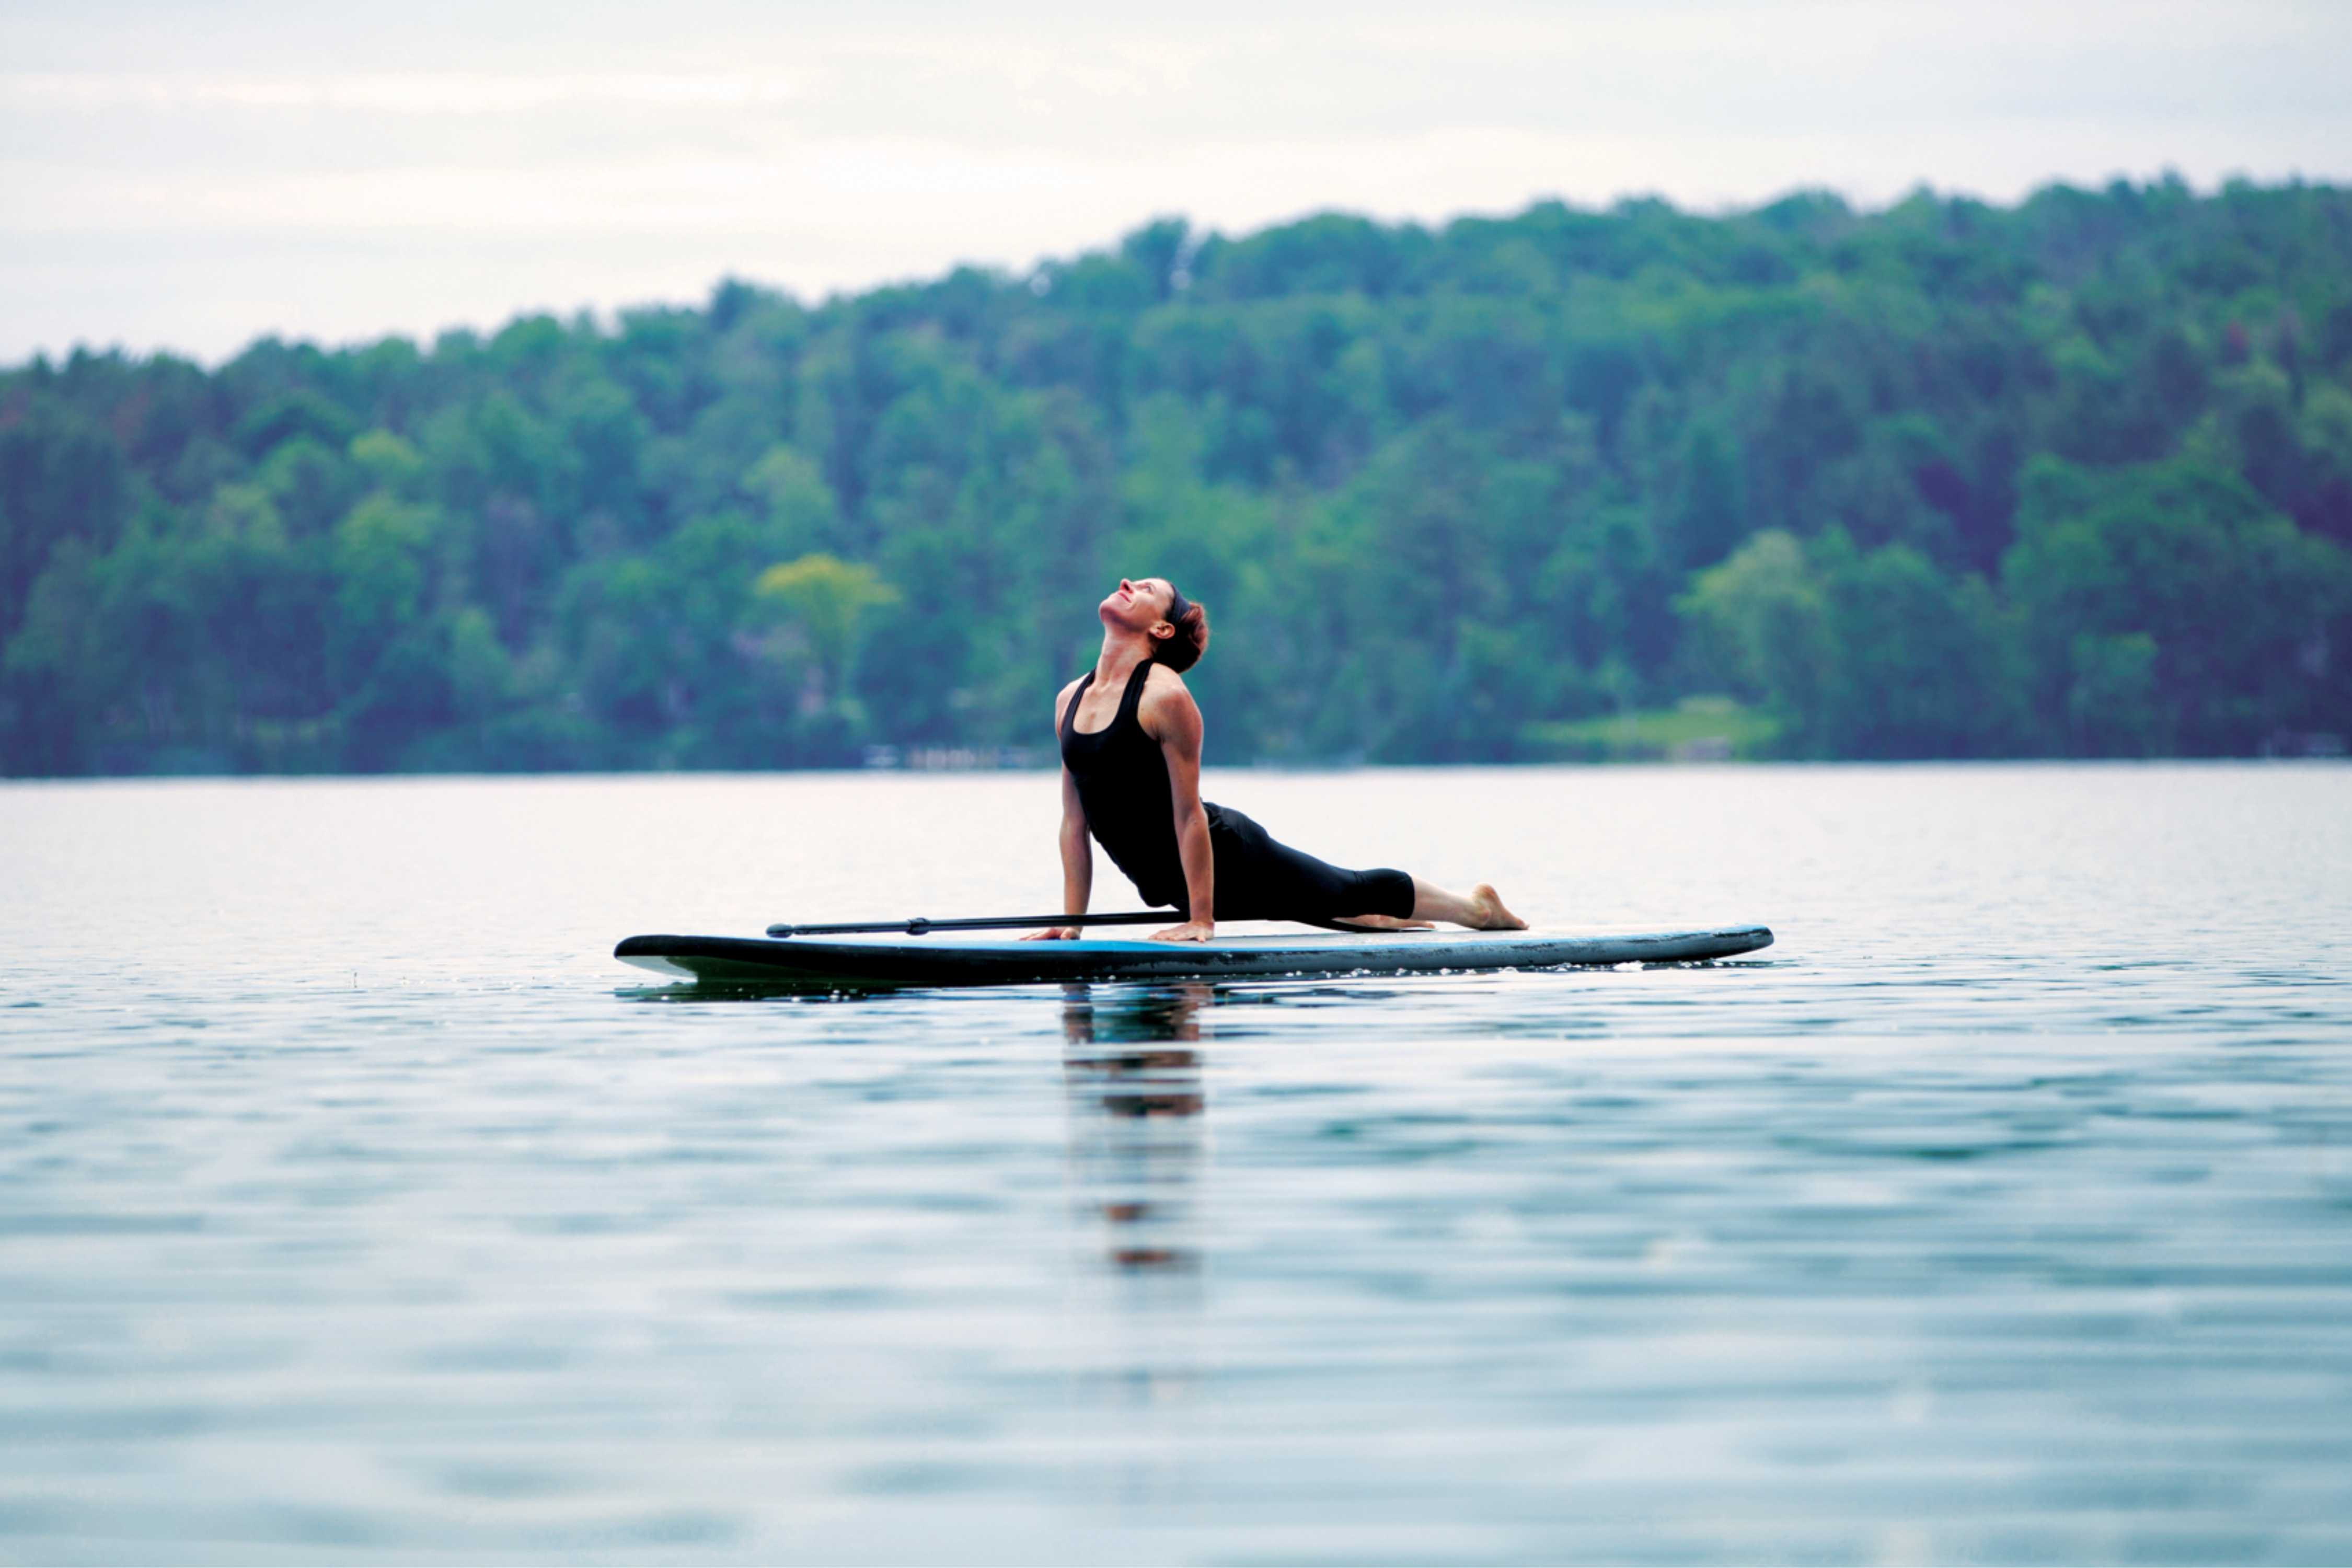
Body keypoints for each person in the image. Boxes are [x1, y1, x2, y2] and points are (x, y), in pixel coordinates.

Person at [1033, 577, 1525, 943]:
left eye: (1145, 589)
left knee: (1346, 892)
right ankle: (1384, 917)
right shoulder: (1069, 701)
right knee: (1339, 910)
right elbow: (1075, 824)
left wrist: (1202, 921)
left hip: (1230, 858)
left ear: (1161, 627)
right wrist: (1072, 926)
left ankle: (1477, 909)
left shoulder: (1165, 698)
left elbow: (1188, 817)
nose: (1126, 584)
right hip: (1175, 885)